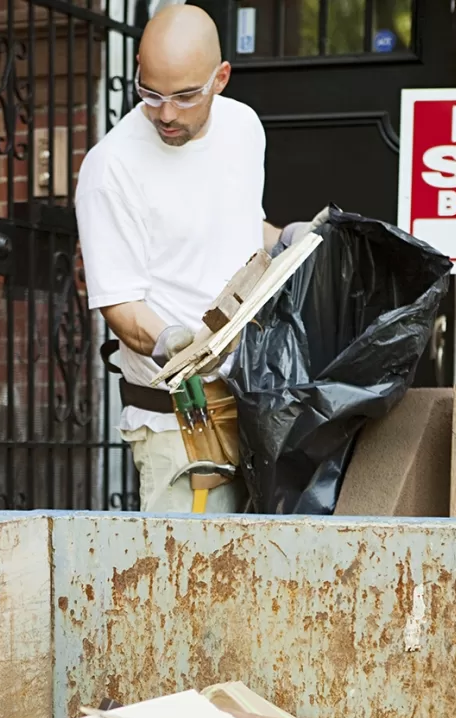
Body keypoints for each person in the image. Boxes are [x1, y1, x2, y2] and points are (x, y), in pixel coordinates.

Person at [76, 5, 290, 514]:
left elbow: (237, 226)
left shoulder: (243, 127)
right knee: (192, 587)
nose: (166, 114)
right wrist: (175, 342)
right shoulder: (112, 167)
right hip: (180, 426)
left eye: (184, 96)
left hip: (256, 406)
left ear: (220, 79)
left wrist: (290, 240)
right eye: (150, 94)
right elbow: (122, 309)